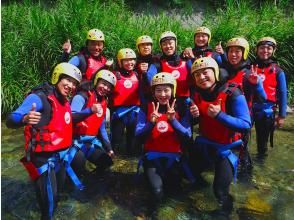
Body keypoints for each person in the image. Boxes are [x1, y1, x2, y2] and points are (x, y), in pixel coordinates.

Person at [6, 63, 82, 220]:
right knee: (48, 208)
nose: (71, 86)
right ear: (57, 77)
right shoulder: (39, 98)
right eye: (67, 80)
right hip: (43, 161)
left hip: (60, 158)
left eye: (74, 83)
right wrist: (24, 119)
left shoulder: (64, 100)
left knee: (55, 198)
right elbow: (11, 119)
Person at [189, 57, 251, 216]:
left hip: (229, 149)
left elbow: (245, 124)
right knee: (189, 173)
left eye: (205, 73)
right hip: (207, 144)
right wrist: (194, 116)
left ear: (216, 73)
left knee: (220, 191)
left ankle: (226, 213)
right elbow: (198, 121)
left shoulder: (233, 92)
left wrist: (220, 116)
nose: (201, 77)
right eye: (197, 75)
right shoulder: (197, 94)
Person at [135, 72, 193, 201]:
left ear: (173, 90)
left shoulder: (182, 108)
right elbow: (138, 136)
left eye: (166, 90)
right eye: (158, 90)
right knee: (157, 192)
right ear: (153, 92)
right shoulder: (145, 108)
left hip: (174, 158)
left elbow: (187, 137)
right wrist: (151, 123)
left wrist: (173, 121)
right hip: (152, 159)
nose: (162, 95)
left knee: (175, 194)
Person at [222, 37, 267, 171]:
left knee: (241, 150)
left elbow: (262, 98)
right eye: (230, 51)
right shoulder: (224, 71)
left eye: (237, 51)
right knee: (227, 148)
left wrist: (257, 84)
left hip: (242, 119)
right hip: (226, 117)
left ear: (244, 53)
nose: (233, 55)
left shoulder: (248, 74)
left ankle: (245, 179)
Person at [69, 69, 116, 178]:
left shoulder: (104, 101)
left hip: (89, 141)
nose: (105, 88)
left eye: (109, 86)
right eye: (103, 84)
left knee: (107, 162)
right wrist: (90, 110)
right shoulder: (81, 96)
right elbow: (71, 118)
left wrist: (109, 148)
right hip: (73, 140)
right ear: (96, 82)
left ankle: (91, 183)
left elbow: (102, 128)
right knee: (79, 165)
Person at [252, 37, 287, 155]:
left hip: (266, 111)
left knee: (262, 143)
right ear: (257, 50)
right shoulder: (251, 67)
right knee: (242, 137)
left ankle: (260, 163)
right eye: (262, 48)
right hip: (250, 108)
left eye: (269, 48)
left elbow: (283, 93)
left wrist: (281, 116)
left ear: (273, 51)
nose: (265, 51)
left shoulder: (278, 71)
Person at [152, 31, 193, 117]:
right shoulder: (158, 62)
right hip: (166, 101)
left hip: (185, 100)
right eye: (164, 44)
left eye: (170, 43)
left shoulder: (185, 59)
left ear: (175, 44)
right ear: (161, 47)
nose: (168, 46)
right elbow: (150, 78)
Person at [110, 48, 141, 155]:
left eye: (132, 60)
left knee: (132, 139)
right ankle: (112, 156)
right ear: (120, 62)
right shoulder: (114, 75)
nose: (130, 62)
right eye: (126, 60)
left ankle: (130, 154)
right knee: (116, 139)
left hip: (134, 111)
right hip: (119, 113)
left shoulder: (137, 75)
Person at [135, 35, 159, 104]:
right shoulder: (134, 62)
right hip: (139, 95)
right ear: (138, 48)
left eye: (148, 44)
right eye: (142, 45)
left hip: (154, 95)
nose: (145, 47)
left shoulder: (157, 60)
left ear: (151, 47)